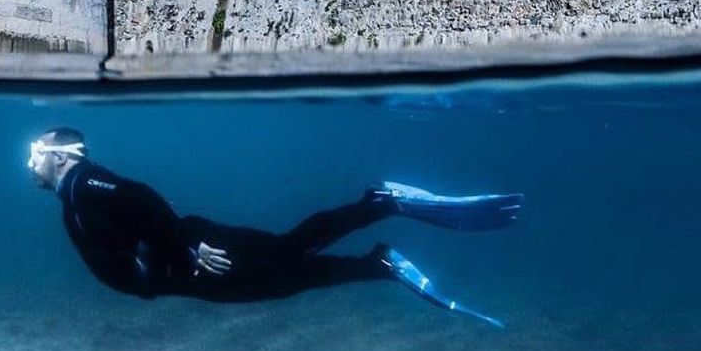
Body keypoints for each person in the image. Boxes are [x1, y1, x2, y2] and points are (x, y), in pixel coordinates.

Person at [27, 127, 523, 328]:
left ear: (58, 155)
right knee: (287, 269)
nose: (29, 164)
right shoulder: (73, 195)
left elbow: (141, 198)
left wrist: (187, 244)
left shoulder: (84, 181)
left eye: (34, 154)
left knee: (290, 259)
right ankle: (379, 254)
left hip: (197, 256)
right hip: (182, 268)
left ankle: (379, 211)